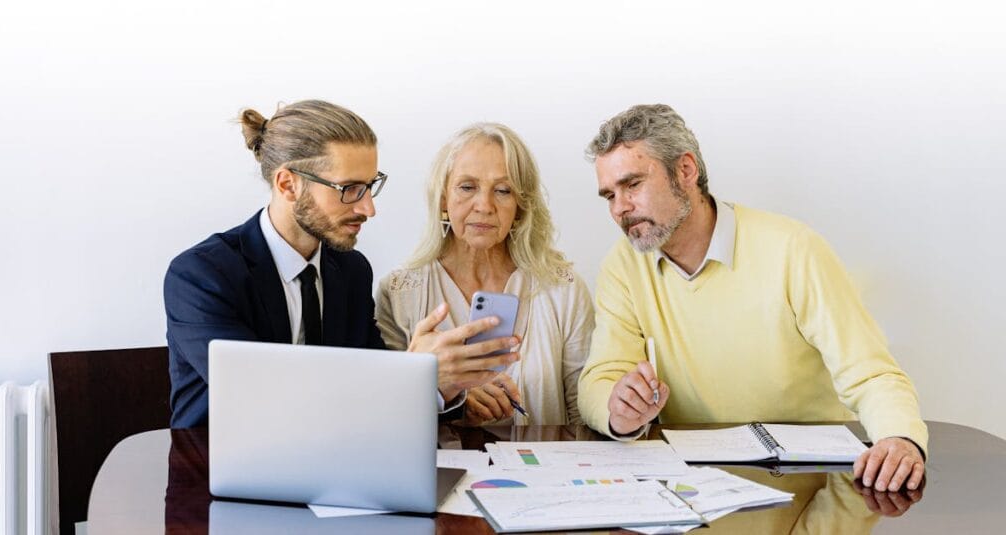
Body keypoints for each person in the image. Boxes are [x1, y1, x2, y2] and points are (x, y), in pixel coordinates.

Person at [577, 104, 927, 493]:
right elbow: (600, 379)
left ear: (686, 171)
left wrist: (900, 438)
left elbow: (871, 373)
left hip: (810, 483)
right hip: (694, 488)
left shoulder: (793, 249)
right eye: (609, 195)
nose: (619, 209)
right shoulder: (624, 266)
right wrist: (619, 408)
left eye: (632, 185)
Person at [164, 100, 517, 428]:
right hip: (216, 475)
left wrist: (443, 384)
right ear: (288, 185)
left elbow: (379, 404)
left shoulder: (350, 272)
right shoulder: (202, 276)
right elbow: (263, 402)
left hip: (336, 473)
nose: (368, 208)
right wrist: (414, 372)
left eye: (369, 186)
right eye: (349, 189)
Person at [375, 123, 594, 425]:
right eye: (467, 187)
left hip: (544, 468)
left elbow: (584, 414)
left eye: (503, 191)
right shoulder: (400, 292)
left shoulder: (562, 290)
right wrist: (445, 390)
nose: (484, 205)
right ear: (442, 198)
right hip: (442, 470)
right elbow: (387, 416)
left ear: (520, 205)